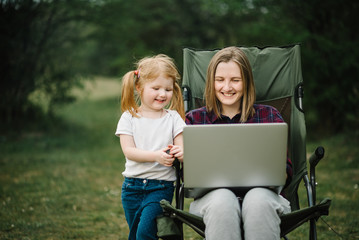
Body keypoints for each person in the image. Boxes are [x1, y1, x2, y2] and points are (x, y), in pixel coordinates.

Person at [185, 46, 293, 240]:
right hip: (211, 199)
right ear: (211, 82)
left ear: (247, 82)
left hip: (266, 197)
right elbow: (187, 173)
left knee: (257, 199)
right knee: (223, 200)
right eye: (220, 80)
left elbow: (285, 172)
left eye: (235, 80)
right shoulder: (194, 120)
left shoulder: (268, 116)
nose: (227, 87)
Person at [115, 54, 186, 240]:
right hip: (132, 187)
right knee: (135, 234)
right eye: (156, 88)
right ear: (138, 87)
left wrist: (181, 152)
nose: (163, 94)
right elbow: (129, 151)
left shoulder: (173, 118)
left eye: (168, 89)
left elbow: (183, 147)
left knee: (145, 233)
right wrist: (155, 156)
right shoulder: (129, 118)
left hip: (160, 187)